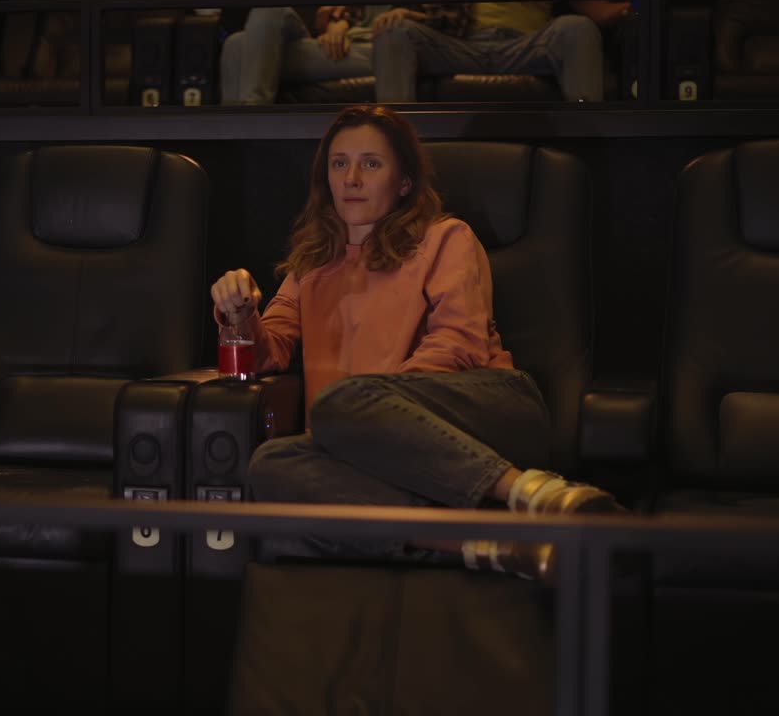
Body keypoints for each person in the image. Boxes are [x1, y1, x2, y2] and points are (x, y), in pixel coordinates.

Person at [209, 104, 622, 581]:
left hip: (487, 409)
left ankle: (542, 494)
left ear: (404, 182)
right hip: (370, 439)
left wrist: (373, 417)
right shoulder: (310, 266)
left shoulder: (446, 238)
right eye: (339, 163)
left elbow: (458, 343)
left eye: (371, 163)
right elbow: (267, 353)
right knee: (270, 464)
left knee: (343, 402)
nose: (352, 178)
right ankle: (493, 545)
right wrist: (239, 316)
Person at [371, 0, 633, 102]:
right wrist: (404, 12)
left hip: (526, 46)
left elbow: (601, 12)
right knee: (395, 30)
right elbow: (435, 15)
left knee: (577, 27)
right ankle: (394, 146)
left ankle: (587, 136)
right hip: (463, 46)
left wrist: (640, 5)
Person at [221, 5, 393, 105]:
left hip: (371, 47)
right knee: (240, 39)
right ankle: (234, 132)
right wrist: (338, 21)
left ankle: (253, 112)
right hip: (321, 43)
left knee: (239, 45)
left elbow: (413, 22)